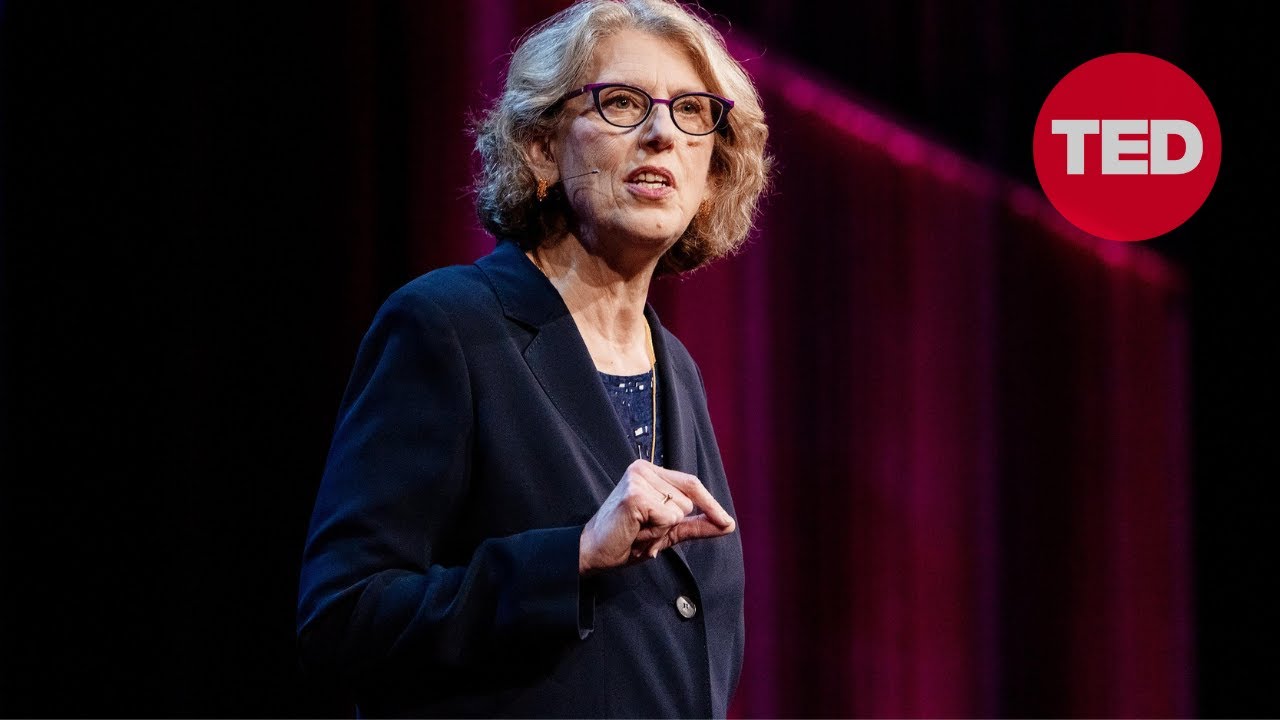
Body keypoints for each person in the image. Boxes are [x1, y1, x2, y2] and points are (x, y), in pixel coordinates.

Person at [296, 0, 771, 716]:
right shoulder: (450, 326)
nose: (662, 133)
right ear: (542, 148)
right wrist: (572, 555)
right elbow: (343, 616)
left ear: (712, 174)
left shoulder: (675, 367)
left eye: (691, 111)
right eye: (622, 102)